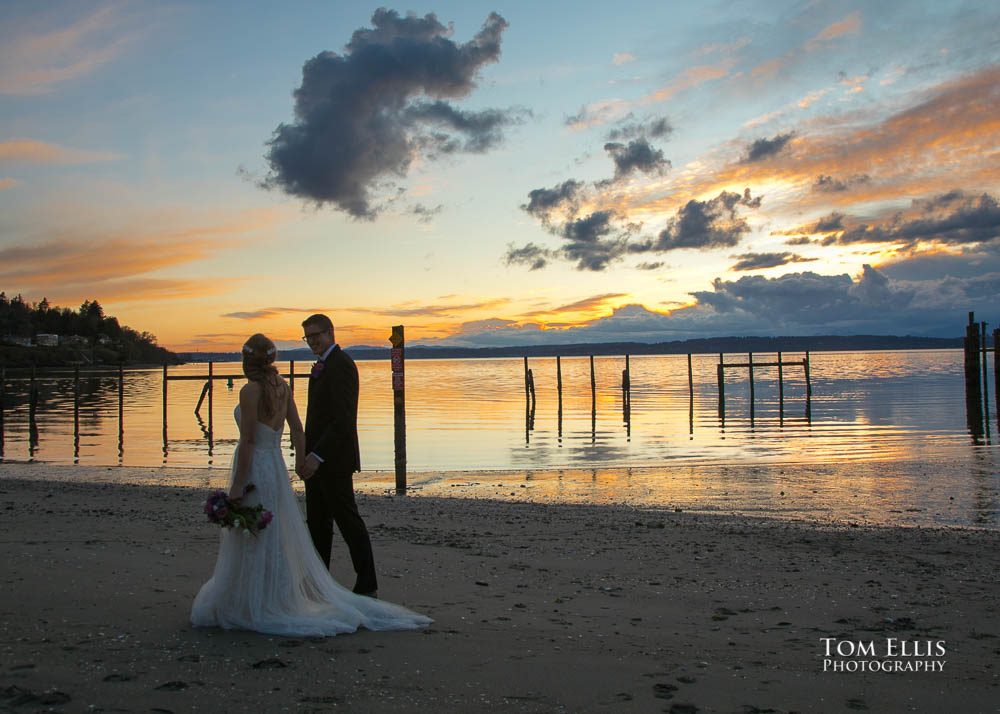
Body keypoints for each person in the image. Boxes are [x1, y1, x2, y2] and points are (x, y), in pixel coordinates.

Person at [190, 333, 430, 636]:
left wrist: (237, 484)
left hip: (254, 468)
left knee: (253, 532)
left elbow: (249, 440)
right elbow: (298, 430)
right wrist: (300, 463)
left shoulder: (250, 391)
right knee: (271, 531)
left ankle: (254, 599)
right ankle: (273, 593)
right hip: (274, 467)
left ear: (247, 360)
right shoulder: (282, 387)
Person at [296, 314, 378, 596]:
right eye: (307, 337)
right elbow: (317, 417)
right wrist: (305, 453)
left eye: (316, 335)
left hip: (334, 458)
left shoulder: (341, 365)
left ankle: (367, 583)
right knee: (318, 523)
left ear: (330, 332)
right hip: (315, 459)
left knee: (347, 519)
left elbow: (343, 419)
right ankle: (320, 582)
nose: (312, 342)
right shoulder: (322, 365)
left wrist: (316, 456)